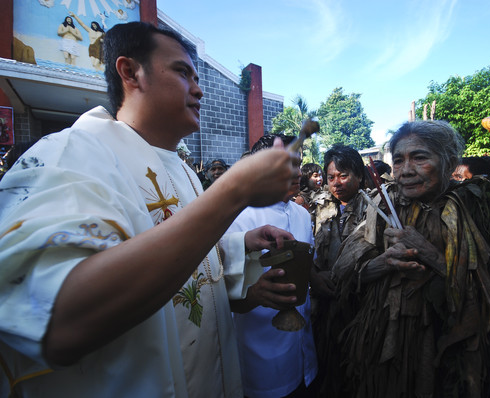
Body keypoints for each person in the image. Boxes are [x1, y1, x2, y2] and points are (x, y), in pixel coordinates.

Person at [0, 22, 300, 398]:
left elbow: (180, 264)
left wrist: (238, 243)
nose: (199, 87)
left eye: (196, 74)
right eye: (181, 72)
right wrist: (232, 192)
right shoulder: (69, 154)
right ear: (130, 72)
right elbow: (61, 320)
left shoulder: (186, 174)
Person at [324, 120, 490, 397]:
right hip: (387, 354)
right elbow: (343, 277)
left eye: (420, 158)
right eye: (399, 160)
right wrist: (383, 263)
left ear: (449, 160)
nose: (406, 171)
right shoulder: (381, 205)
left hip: (459, 351)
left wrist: (431, 255)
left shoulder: (482, 206)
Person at [226, 134, 318, 398]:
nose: (298, 173)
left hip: (303, 351)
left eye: (298, 164)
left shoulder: (301, 213)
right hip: (262, 356)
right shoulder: (239, 217)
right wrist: (256, 295)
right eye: (287, 165)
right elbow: (222, 293)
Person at [309, 144, 368, 395]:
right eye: (331, 177)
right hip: (325, 303)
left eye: (344, 176)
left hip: (360, 305)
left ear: (359, 176)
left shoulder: (375, 208)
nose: (336, 183)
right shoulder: (319, 208)